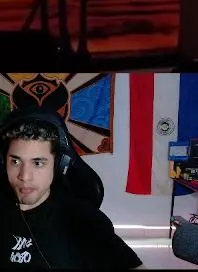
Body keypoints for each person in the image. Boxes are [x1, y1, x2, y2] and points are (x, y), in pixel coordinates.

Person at [1, 112, 143, 269]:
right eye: (15, 161)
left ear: (59, 165)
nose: (24, 176)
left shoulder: (85, 221)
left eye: (38, 163)